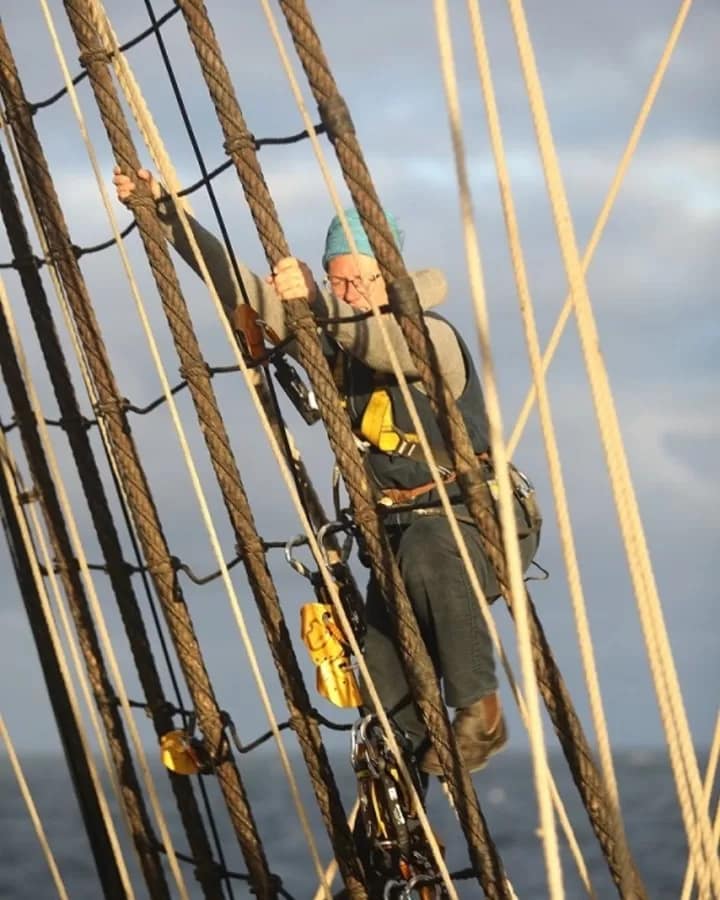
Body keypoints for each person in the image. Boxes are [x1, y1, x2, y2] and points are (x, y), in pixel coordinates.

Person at [113, 167, 541, 775]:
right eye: (340, 284)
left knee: (426, 549)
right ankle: (414, 781)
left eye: (359, 281)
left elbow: (379, 347)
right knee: (379, 661)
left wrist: (314, 304)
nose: (350, 294)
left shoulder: (432, 336)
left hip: (475, 521)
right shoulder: (329, 338)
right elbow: (237, 285)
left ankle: (483, 709)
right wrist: (161, 209)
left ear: (390, 279)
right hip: (394, 533)